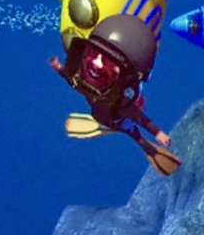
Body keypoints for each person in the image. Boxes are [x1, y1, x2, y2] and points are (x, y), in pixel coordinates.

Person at [50, 14, 181, 176]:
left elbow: (141, 119)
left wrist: (157, 133)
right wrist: (59, 68)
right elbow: (71, 79)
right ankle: (107, 123)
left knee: (131, 131)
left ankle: (145, 146)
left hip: (116, 119)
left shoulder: (121, 105)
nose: (96, 64)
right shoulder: (82, 82)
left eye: (109, 61)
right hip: (102, 113)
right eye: (93, 52)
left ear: (128, 79)